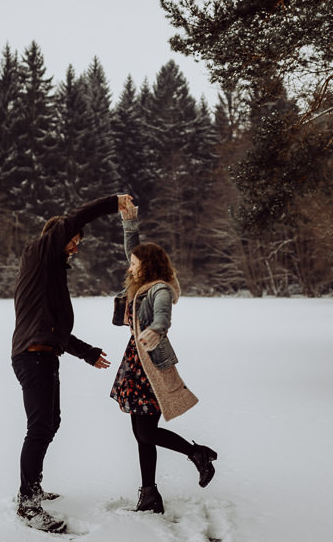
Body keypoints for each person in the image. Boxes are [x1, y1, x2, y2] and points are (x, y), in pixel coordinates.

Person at [11, 194, 132, 533]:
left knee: (51, 423)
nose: (75, 248)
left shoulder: (48, 277)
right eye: (73, 242)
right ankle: (27, 504)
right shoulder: (40, 252)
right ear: (58, 238)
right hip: (32, 356)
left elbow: (58, 332)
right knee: (39, 429)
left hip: (43, 355)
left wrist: (87, 353)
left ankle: (32, 487)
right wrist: (114, 202)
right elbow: (73, 219)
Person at [109, 200, 218, 514]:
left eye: (134, 263)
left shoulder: (159, 289)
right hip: (135, 363)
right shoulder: (141, 283)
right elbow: (134, 248)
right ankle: (149, 493)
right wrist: (130, 222)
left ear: (147, 265)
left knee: (145, 432)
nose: (130, 266)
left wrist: (156, 330)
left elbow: (162, 315)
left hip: (150, 365)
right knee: (141, 435)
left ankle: (197, 454)